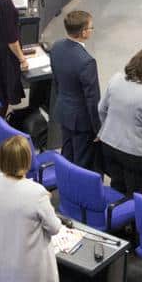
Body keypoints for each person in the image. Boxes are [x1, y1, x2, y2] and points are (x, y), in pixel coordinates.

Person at [0, 134, 62, 282]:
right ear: (27, 160)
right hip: (30, 276)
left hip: (6, 266)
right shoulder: (36, 193)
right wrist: (46, 201)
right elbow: (54, 228)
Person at [97, 45, 142, 197]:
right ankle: (132, 220)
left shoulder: (115, 79)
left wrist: (108, 128)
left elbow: (101, 109)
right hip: (135, 156)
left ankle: (116, 217)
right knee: (137, 195)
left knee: (117, 185)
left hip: (109, 146)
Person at [50, 9, 102, 169]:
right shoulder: (87, 62)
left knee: (67, 154)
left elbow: (57, 81)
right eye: (91, 28)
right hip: (82, 121)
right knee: (82, 162)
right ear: (84, 32)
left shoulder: (56, 47)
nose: (92, 30)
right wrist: (98, 128)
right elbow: (92, 100)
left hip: (64, 111)